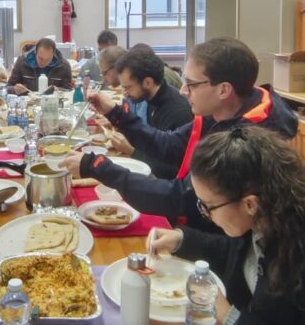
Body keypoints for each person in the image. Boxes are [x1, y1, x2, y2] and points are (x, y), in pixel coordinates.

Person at [59, 37, 297, 231]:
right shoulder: (217, 114)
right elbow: (168, 145)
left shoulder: (248, 141)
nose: (183, 91)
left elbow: (180, 197)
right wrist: (115, 112)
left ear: (224, 90)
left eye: (191, 84)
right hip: (198, 229)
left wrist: (97, 167)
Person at [149, 126, 305, 324]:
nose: (205, 213)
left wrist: (228, 316)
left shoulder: (294, 255)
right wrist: (181, 240)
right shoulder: (262, 219)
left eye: (208, 206)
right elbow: (233, 252)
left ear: (250, 204)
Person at [108, 47, 193, 178]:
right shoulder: (151, 98)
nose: (125, 93)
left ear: (148, 82)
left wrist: (132, 151)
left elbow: (174, 171)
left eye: (128, 88)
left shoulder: (178, 111)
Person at [7, 37, 72, 94]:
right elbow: (8, 87)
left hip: (52, 102)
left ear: (53, 54)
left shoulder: (63, 66)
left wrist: (59, 90)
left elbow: (68, 90)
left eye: (47, 59)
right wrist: (14, 89)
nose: (43, 62)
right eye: (40, 58)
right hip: (28, 102)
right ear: (35, 52)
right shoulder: (22, 62)